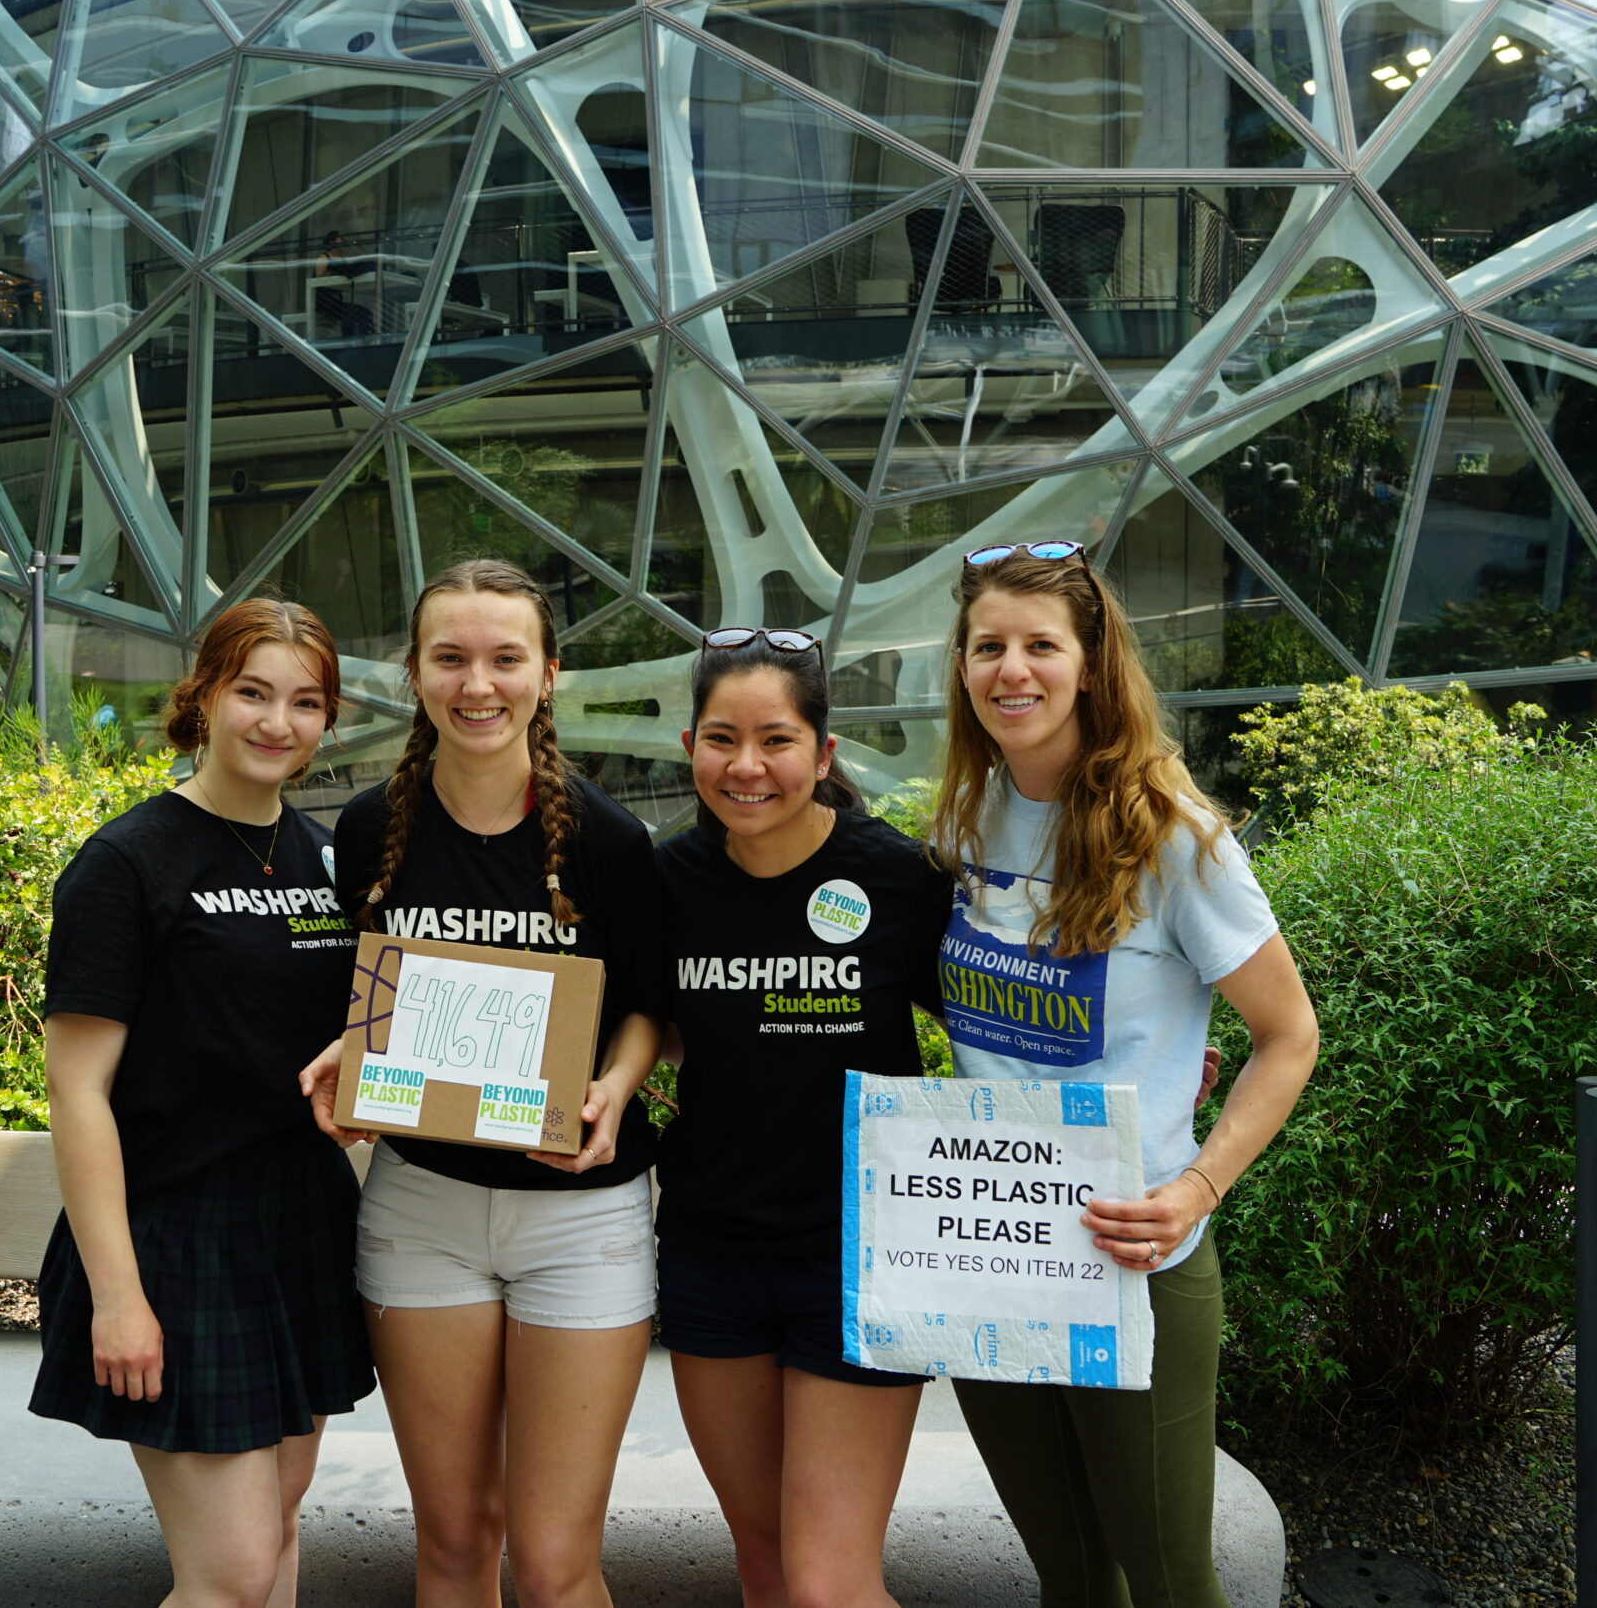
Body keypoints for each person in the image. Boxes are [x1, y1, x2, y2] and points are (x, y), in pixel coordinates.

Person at [930, 541, 1319, 1608]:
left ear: (1091, 664)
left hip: (1128, 1260)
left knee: (1169, 1581)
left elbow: (1289, 1035)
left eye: (1040, 646)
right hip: (990, 1248)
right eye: (988, 647)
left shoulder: (1174, 836)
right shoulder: (964, 818)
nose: (1013, 670)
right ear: (961, 668)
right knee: (1069, 1579)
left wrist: (1197, 1185)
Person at [299, 557, 667, 1608]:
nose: (477, 685)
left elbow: (649, 1008)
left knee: (555, 1569)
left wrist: (612, 1089)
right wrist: (346, 1055)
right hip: (423, 1214)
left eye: (505, 659)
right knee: (455, 1547)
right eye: (450, 658)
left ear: (547, 675)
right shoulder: (372, 828)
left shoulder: (606, 837)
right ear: (412, 672)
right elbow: (370, 999)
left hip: (580, 1224)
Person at [32, 599, 374, 1608]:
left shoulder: (327, 860)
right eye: (254, 693)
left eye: (305, 702)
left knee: (275, 1539)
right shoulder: (127, 862)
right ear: (205, 698)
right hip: (175, 1237)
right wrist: (120, 1295)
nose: (278, 722)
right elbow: (76, 1091)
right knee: (227, 1571)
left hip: (299, 1227)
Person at [652, 626, 953, 1608]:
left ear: (822, 755)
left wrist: (1139, 1069)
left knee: (829, 1583)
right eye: (721, 739)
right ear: (690, 744)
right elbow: (626, 1025)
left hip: (864, 1260)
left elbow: (1005, 1019)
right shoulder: (665, 885)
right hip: (710, 1257)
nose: (747, 767)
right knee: (765, 1565)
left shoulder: (899, 879)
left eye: (776, 740)